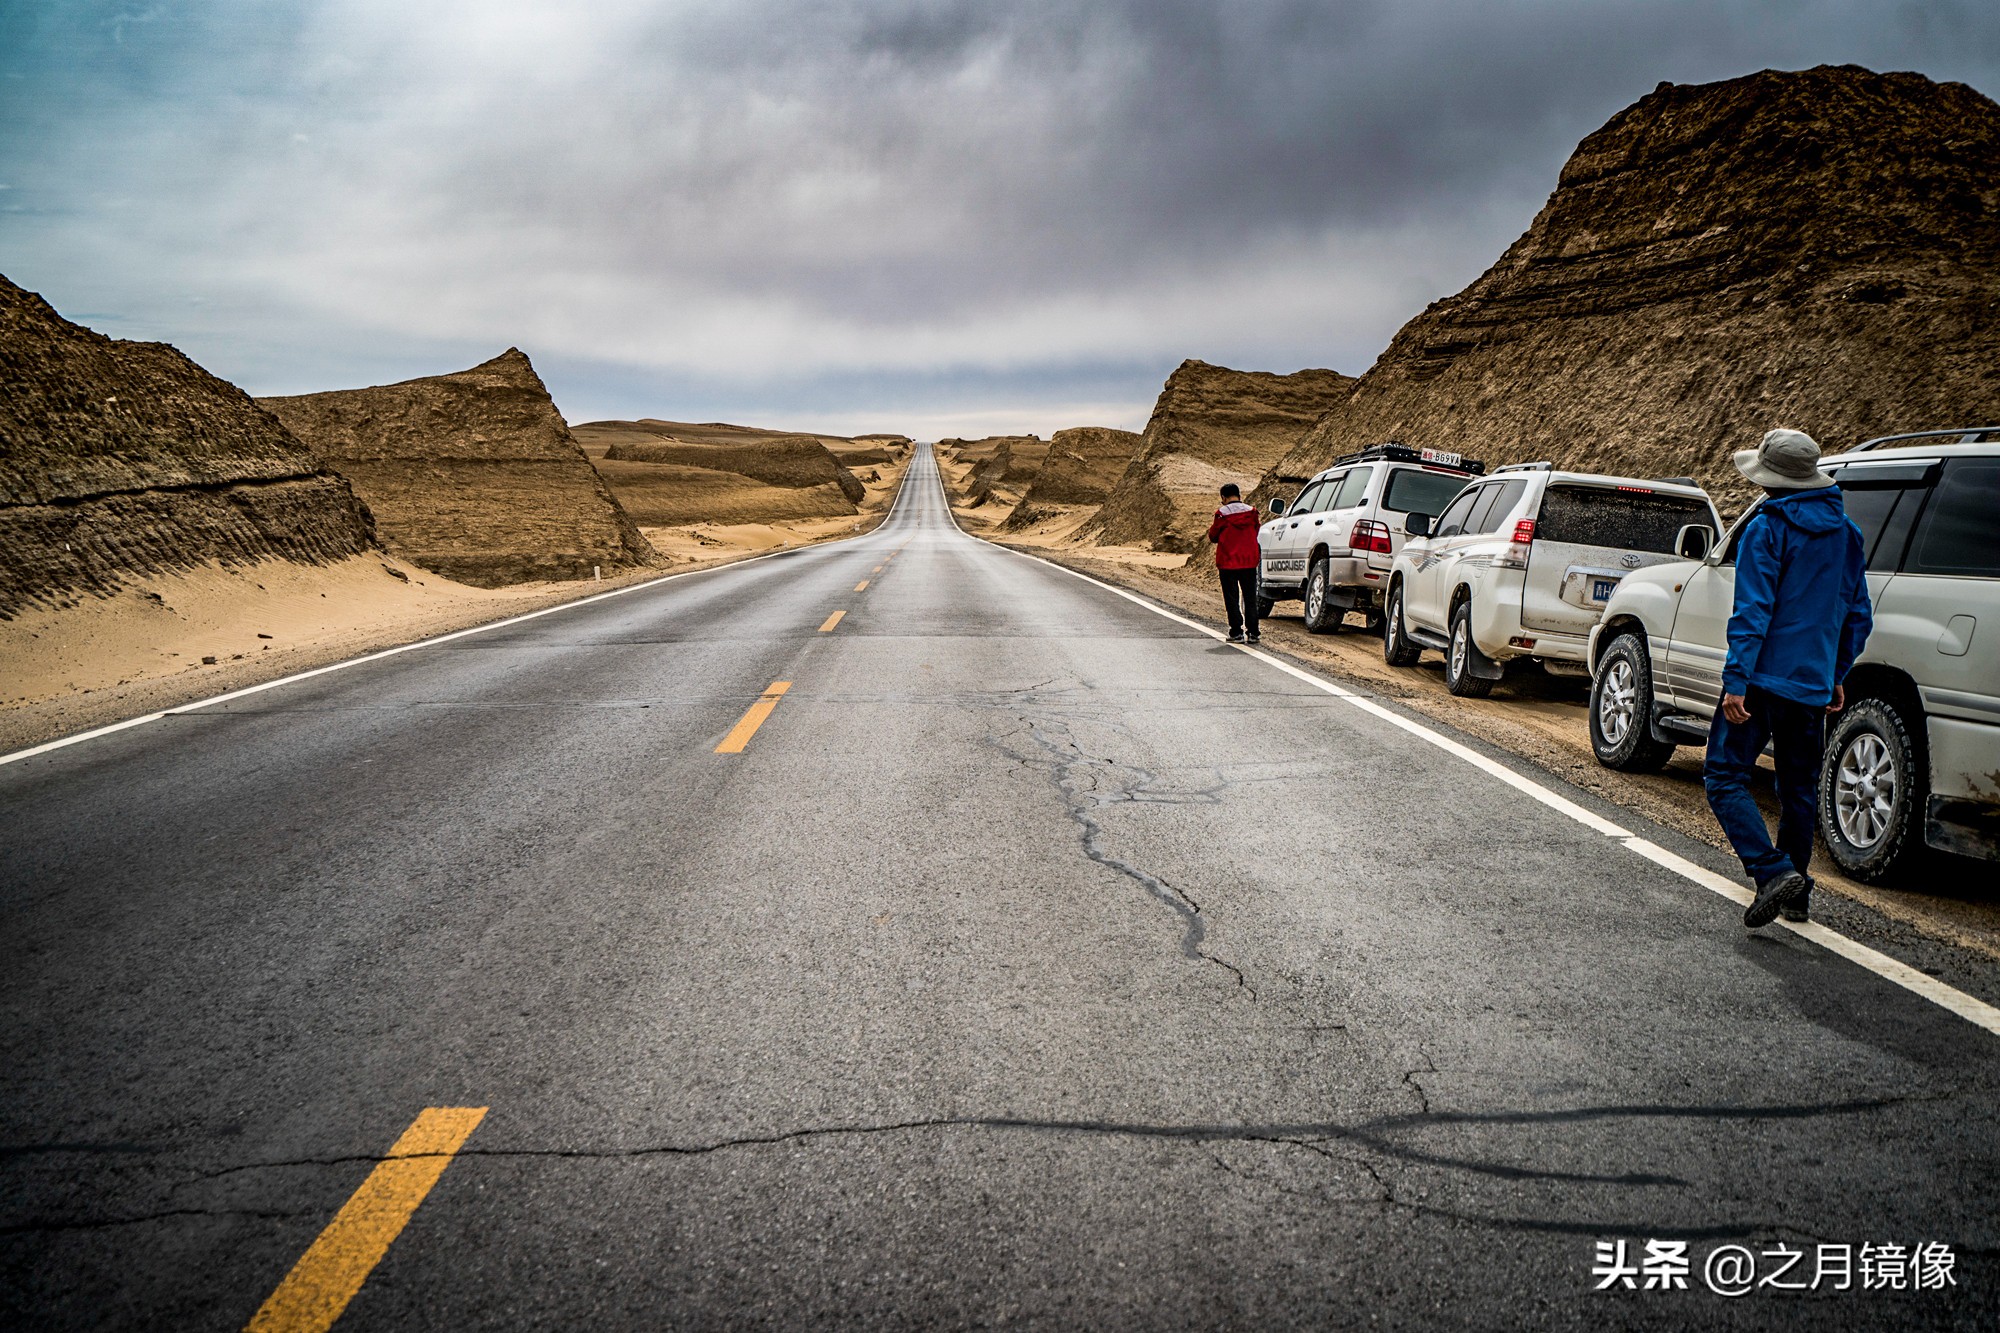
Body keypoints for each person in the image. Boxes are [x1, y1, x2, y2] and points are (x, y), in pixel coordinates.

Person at [1705, 428, 1873, 929]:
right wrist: (1835, 672)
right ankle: (1797, 897)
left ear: (1771, 479)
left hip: (1759, 682)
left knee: (1723, 776)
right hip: (1811, 688)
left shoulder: (1766, 528)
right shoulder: (1847, 534)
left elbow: (1754, 611)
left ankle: (1771, 870)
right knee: (1798, 790)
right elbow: (1857, 614)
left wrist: (1737, 680)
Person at [1207, 483, 1262, 644]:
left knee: (1231, 598)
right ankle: (1253, 632)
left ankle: (1236, 632)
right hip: (1249, 562)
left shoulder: (1222, 514)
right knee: (1250, 597)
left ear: (1223, 497)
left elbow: (1213, 536)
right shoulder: (1252, 512)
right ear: (1239, 495)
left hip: (1228, 562)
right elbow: (1256, 530)